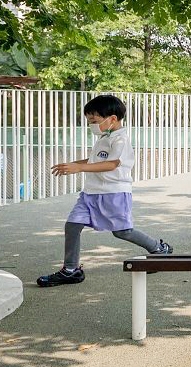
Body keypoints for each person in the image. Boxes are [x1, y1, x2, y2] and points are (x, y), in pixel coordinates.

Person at [37, 95, 173, 287]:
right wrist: (73, 165)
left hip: (113, 193)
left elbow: (111, 164)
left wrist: (79, 168)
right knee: (72, 225)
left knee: (122, 232)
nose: (91, 125)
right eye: (89, 121)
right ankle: (70, 270)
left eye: (94, 121)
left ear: (112, 119)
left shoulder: (120, 140)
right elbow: (95, 161)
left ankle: (159, 249)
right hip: (90, 194)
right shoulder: (104, 137)